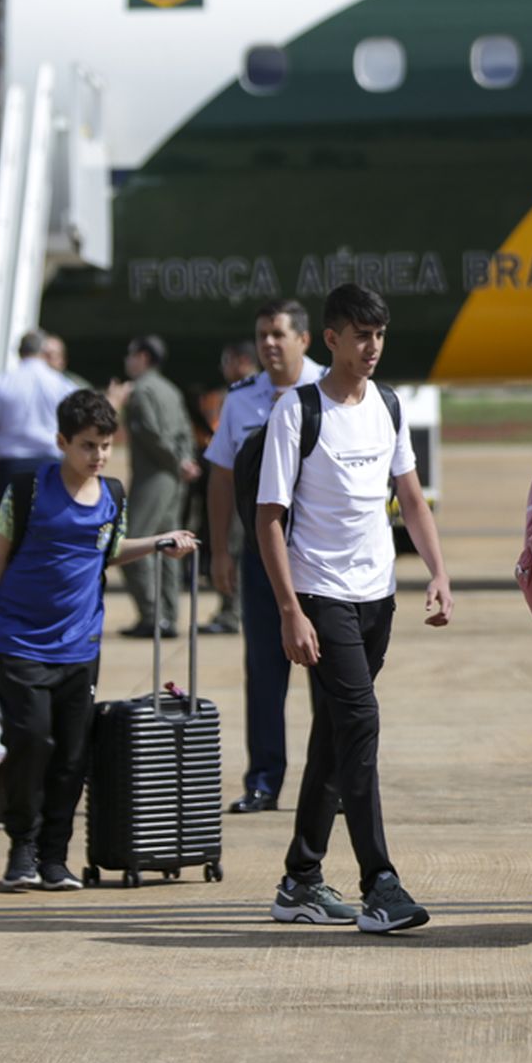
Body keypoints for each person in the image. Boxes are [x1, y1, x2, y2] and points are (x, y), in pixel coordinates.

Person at [256, 283, 452, 933]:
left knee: (336, 736)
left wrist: (438, 572)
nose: (372, 347)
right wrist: (289, 609)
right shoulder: (298, 411)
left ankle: (301, 880)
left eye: (379, 335)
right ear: (332, 338)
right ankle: (380, 883)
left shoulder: (388, 405)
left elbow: (411, 498)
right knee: (360, 724)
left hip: (378, 597)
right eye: (360, 335)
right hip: (320, 594)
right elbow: (270, 519)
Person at [0, 390, 199, 890]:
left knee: (71, 756)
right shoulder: (28, 491)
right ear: (62, 442)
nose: (98, 456)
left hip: (81, 646)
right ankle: (22, 847)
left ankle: (53, 857)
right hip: (21, 641)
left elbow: (106, 552)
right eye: (88, 446)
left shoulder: (113, 496)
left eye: (106, 446)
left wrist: (159, 543)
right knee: (30, 741)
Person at [206, 303, 324, 813]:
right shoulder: (241, 401)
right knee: (264, 670)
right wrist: (219, 551)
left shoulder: (330, 389)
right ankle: (263, 781)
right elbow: (221, 476)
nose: (269, 344)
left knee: (332, 675)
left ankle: (331, 782)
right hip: (261, 558)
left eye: (279, 334)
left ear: (304, 339)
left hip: (323, 558)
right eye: (262, 335)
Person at [119, 335, 197, 638]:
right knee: (169, 546)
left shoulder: (140, 391)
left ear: (142, 356)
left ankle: (152, 616)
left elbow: (151, 435)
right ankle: (169, 616)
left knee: (132, 545)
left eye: (130, 354)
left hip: (154, 476)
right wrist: (186, 460)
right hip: (175, 479)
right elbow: (186, 431)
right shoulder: (171, 390)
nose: (127, 361)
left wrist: (176, 461)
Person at [0, 330, 76, 533]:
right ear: (42, 352)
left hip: (11, 467)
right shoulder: (62, 385)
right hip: (51, 465)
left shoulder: (3, 383)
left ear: (19, 353)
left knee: (0, 532)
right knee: (45, 532)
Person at [196, 340, 259, 636]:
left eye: (228, 361)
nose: (224, 368)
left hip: (239, 488)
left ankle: (232, 611)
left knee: (233, 549)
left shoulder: (242, 396)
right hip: (244, 487)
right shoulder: (254, 393)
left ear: (242, 362)